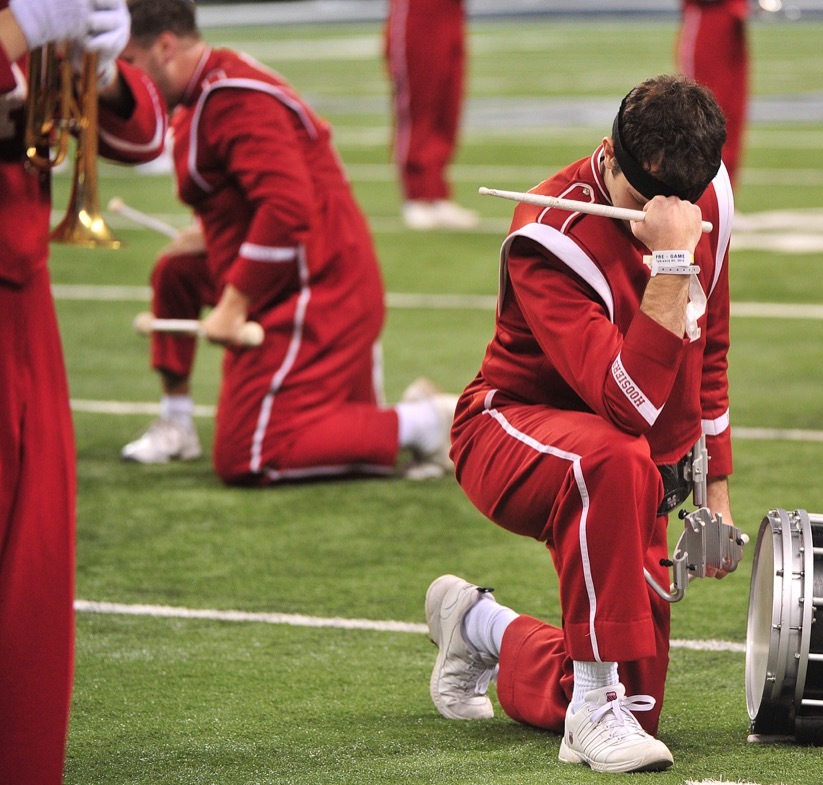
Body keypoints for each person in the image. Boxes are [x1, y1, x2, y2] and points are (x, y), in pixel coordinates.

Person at [426, 74, 734, 773]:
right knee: (615, 456)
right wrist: (673, 260)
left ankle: (481, 627)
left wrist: (716, 483)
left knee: (644, 700)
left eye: (681, 205)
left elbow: (708, 345)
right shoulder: (547, 237)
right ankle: (589, 714)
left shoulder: (710, 199)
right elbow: (625, 403)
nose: (661, 215)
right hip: (510, 428)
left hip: (621, 454)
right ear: (608, 156)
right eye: (642, 201)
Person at [118, 0, 454, 484]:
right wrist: (213, 236)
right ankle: (177, 421)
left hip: (320, 283)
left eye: (128, 63)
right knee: (175, 271)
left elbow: (286, 208)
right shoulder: (210, 87)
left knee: (250, 453)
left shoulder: (233, 97)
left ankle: (424, 421)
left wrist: (233, 304)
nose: (125, 78)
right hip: (301, 267)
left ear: (165, 47)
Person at [1, 1, 168, 781]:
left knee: (31, 579)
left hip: (20, 284)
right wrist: (19, 35)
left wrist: (94, 71)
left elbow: (145, 135)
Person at [384, 0, 478, 231]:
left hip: (452, 12)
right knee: (418, 105)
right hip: (418, 11)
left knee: (448, 107)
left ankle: (437, 194)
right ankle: (416, 195)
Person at [677, 0, 748, 191]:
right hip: (708, 14)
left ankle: (724, 199)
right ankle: (697, 197)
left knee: (731, 116)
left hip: (732, 17)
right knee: (698, 114)